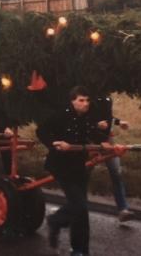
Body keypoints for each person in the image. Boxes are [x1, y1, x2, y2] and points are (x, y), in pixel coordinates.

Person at [37, 86, 108, 256]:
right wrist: (54, 143)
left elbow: (92, 134)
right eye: (81, 100)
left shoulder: (87, 118)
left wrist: (103, 143)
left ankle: (80, 250)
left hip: (79, 166)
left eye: (87, 100)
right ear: (72, 101)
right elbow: (41, 131)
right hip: (61, 166)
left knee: (82, 211)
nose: (85, 104)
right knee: (79, 205)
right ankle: (54, 221)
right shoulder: (61, 115)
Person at [91, 96, 134, 222]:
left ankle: (123, 210)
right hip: (90, 141)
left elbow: (108, 116)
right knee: (84, 174)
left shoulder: (107, 98)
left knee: (116, 173)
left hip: (107, 140)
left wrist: (119, 122)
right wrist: (96, 125)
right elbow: (81, 118)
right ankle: (75, 207)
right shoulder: (88, 96)